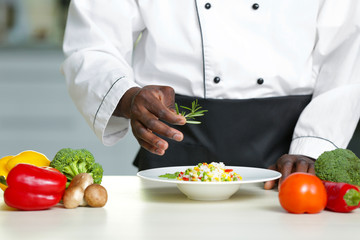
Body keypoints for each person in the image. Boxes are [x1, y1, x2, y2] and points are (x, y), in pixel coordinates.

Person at [61, 0, 360, 189]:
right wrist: (129, 98)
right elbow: (92, 43)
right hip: (176, 147)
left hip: (289, 162)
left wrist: (314, 145)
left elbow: (348, 51)